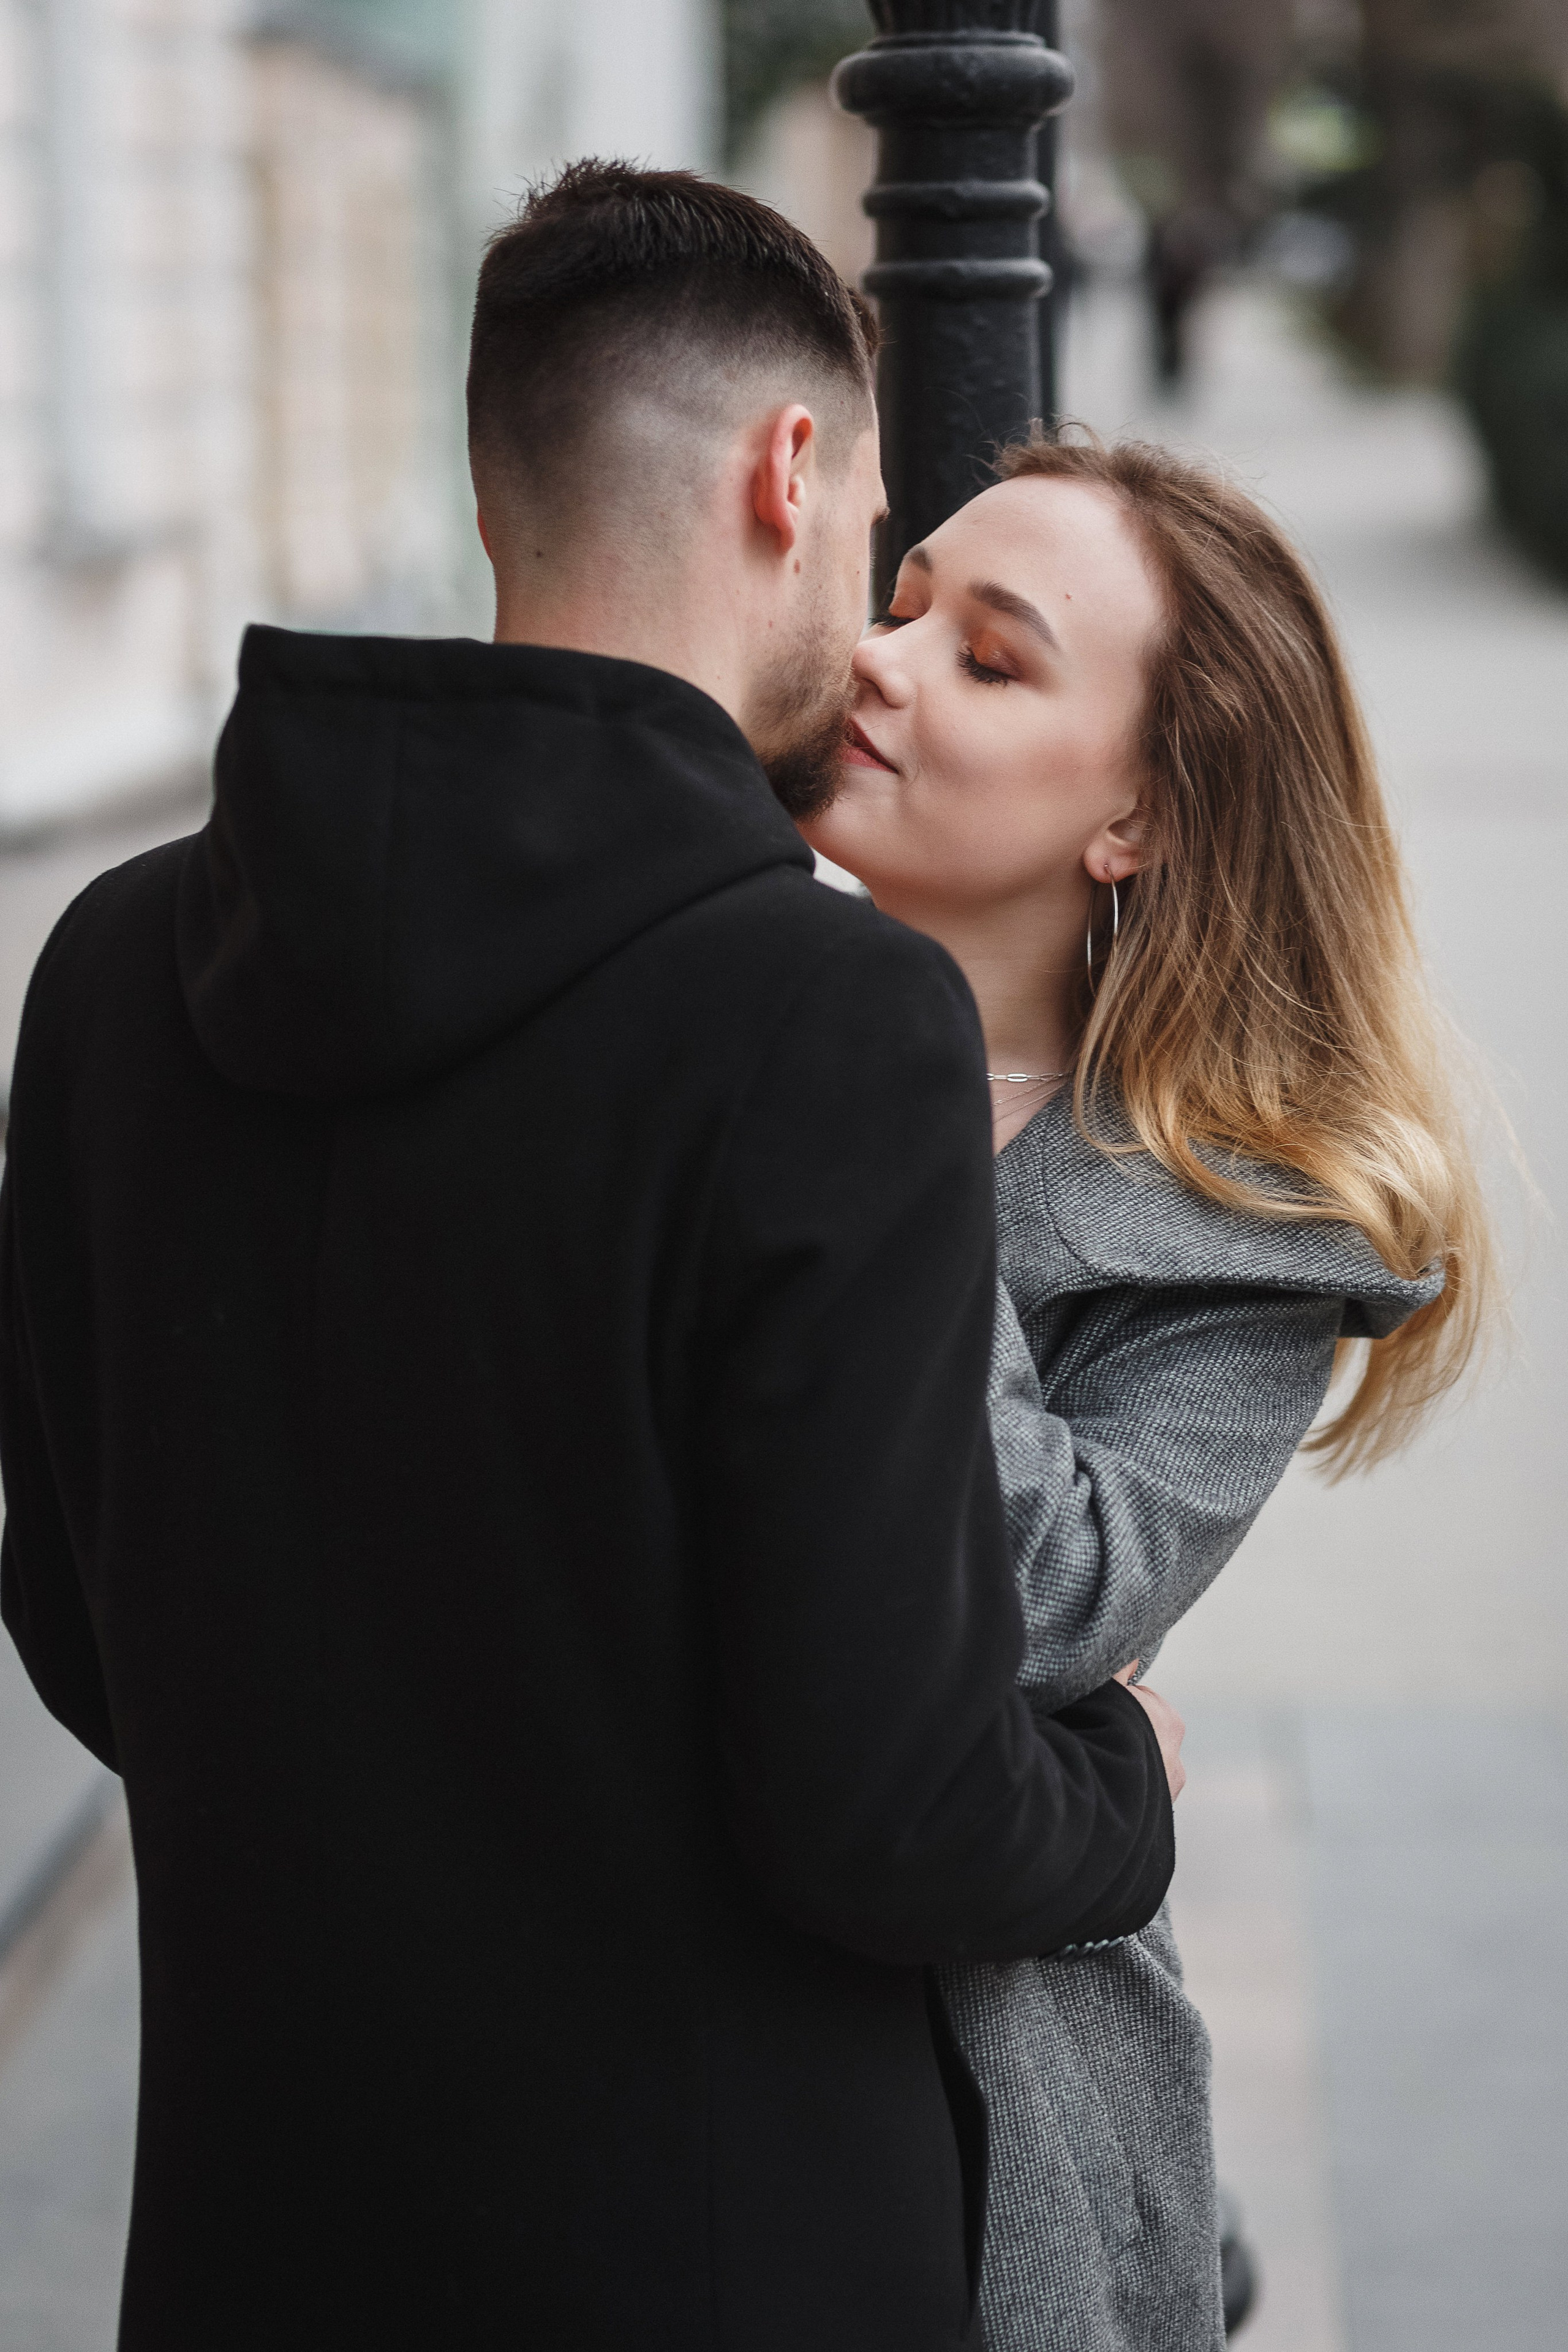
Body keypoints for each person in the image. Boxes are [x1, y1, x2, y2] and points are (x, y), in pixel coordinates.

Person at [0, 170, 1185, 2352]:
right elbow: (888, 1810)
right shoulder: (823, 1030)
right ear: (792, 472)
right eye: (879, 536)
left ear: (495, 490)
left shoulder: (99, 976)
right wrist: (1123, 1796)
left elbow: (84, 1628)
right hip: (729, 2267)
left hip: (255, 2254)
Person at [804, 429, 1496, 2351]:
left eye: (992, 659)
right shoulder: (699, 1013)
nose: (884, 658)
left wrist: (891, 1098)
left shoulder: (1241, 1235)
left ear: (1136, 821)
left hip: (977, 2087)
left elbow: (1042, 1597)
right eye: (907, 600)